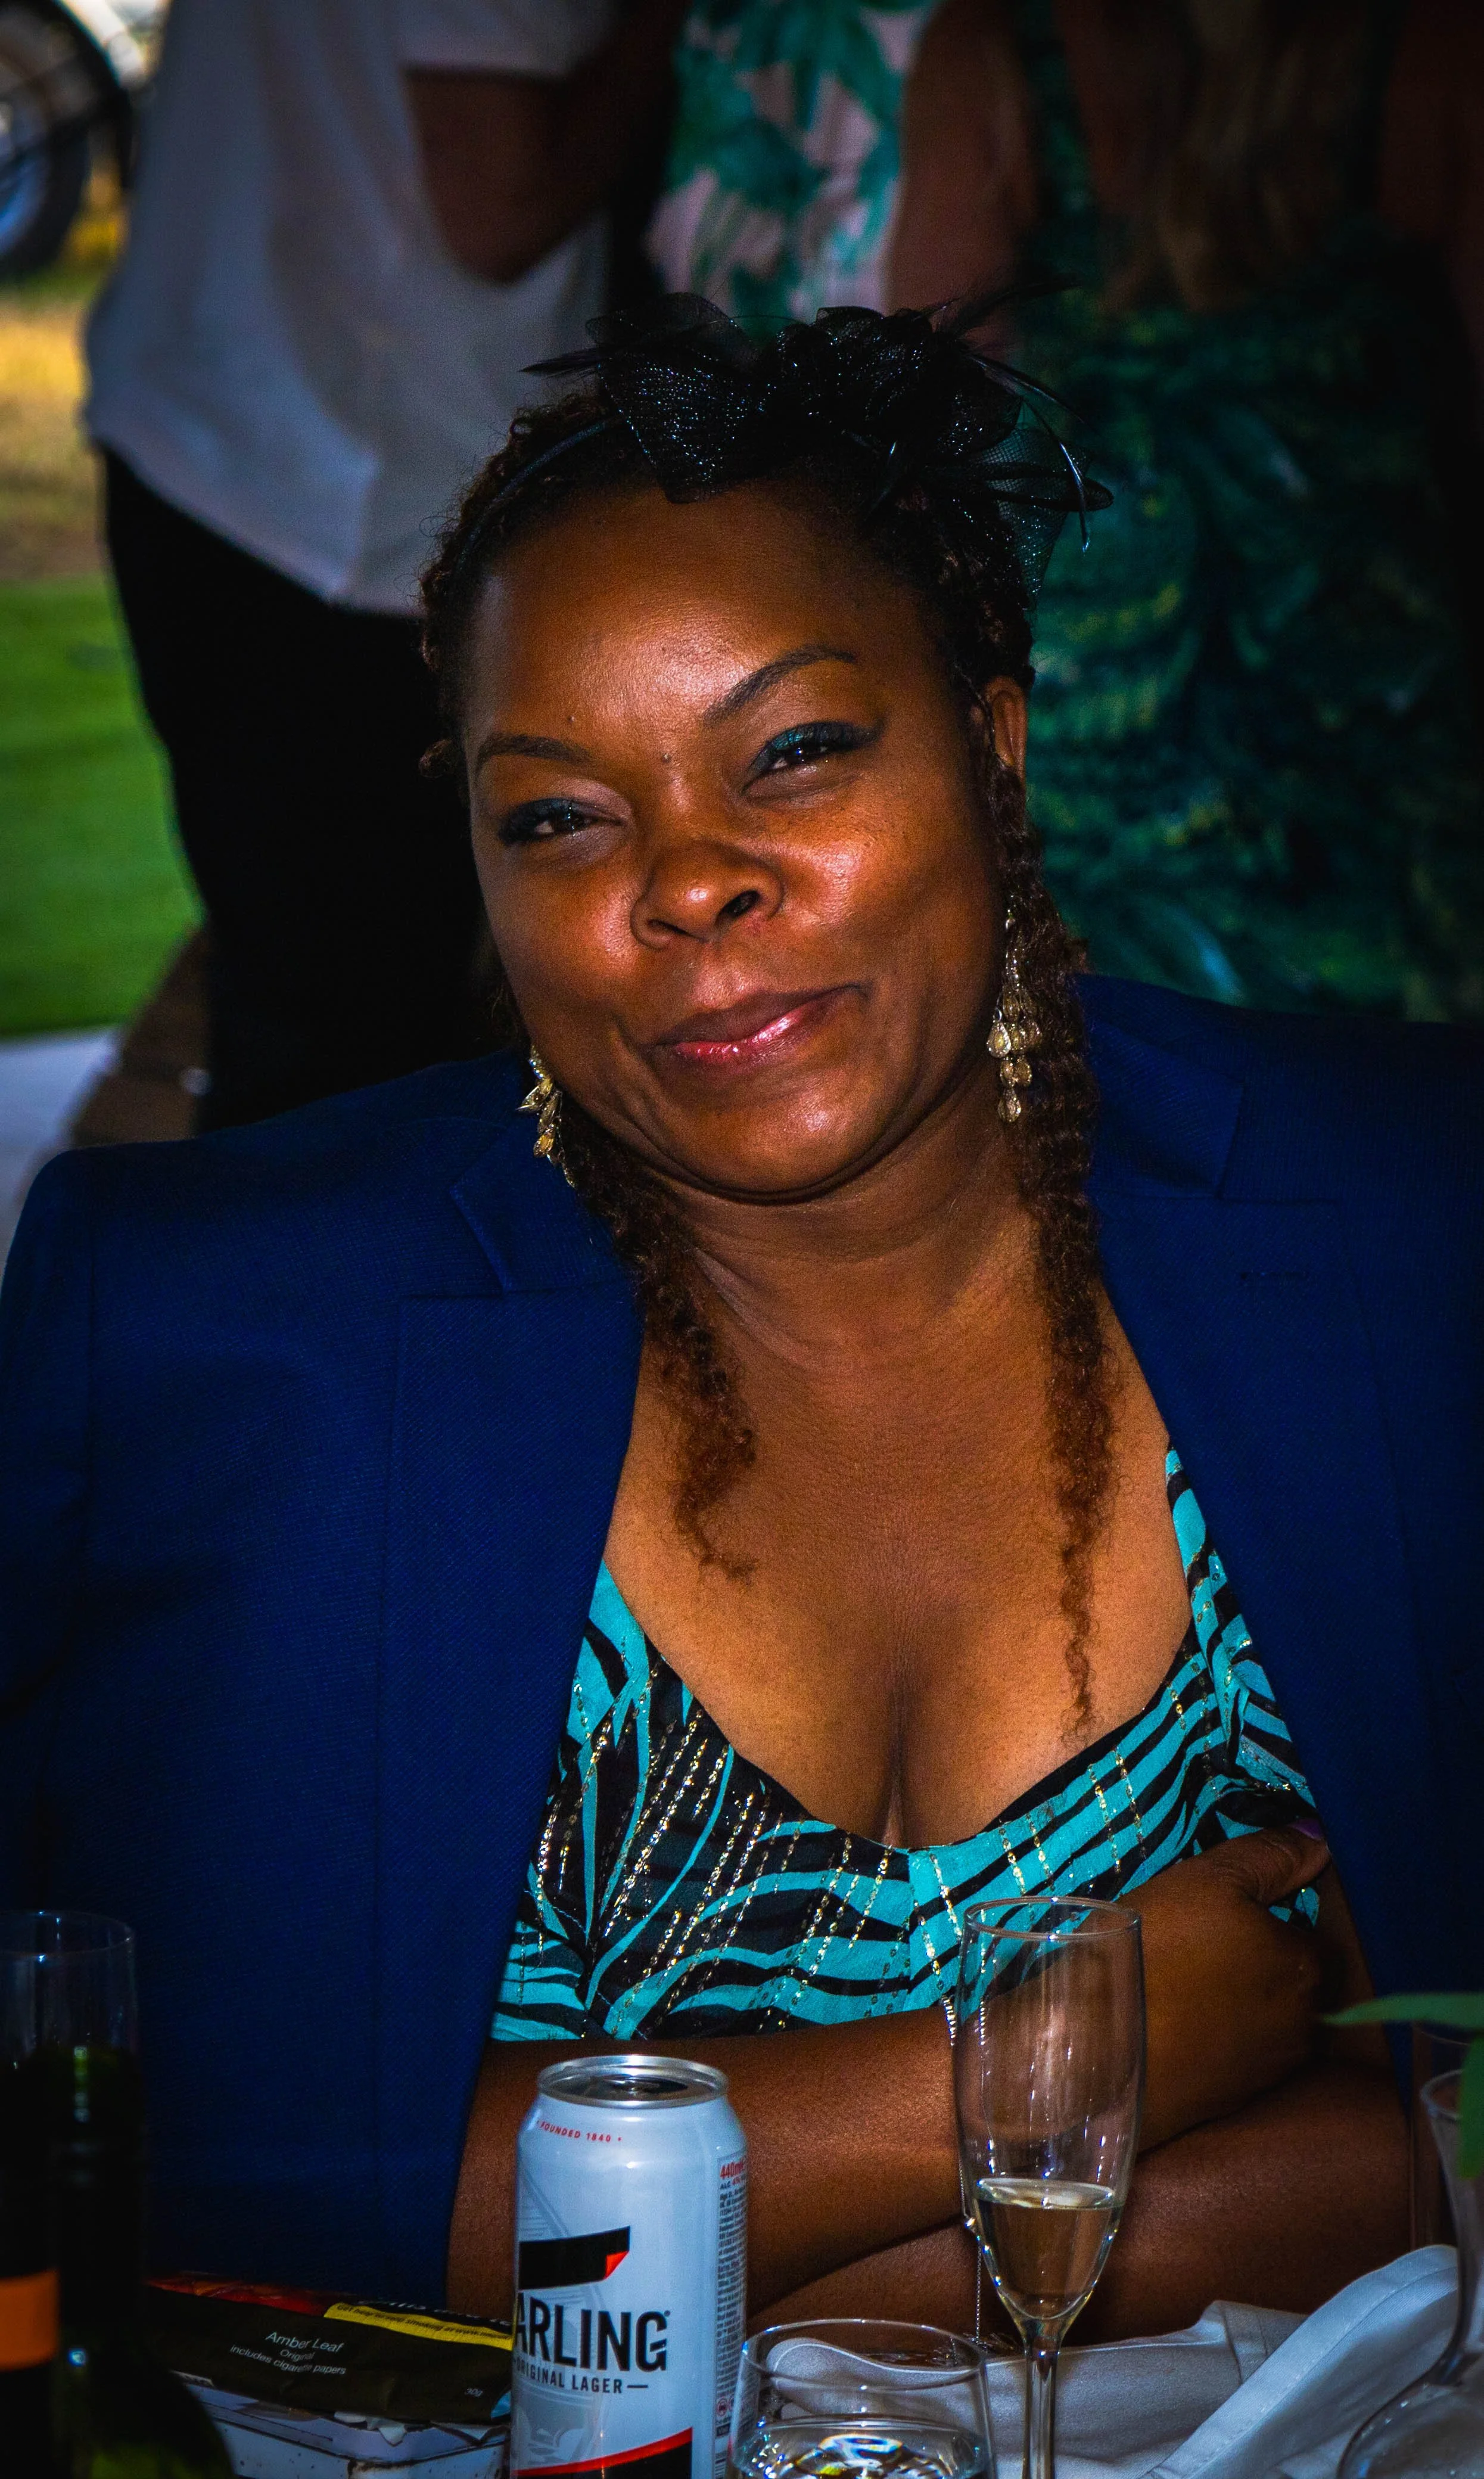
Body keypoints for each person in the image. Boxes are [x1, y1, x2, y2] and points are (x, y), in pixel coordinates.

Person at [2, 299, 1479, 2321]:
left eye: (793, 752)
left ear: (994, 735)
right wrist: (1039, 2086)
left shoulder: (1398, 1226)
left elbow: (1453, 2101)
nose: (689, 885)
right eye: (559, 818)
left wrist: (832, 2295)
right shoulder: (231, 1342)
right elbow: (200, 2180)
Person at [651, 0, 1484, 1018]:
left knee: (1138, 1094)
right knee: (1398, 1101)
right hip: (1370, 680)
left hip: (1100, 687)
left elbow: (924, 416)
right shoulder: (1431, 51)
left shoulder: (1004, 46)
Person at [85, 0, 687, 1130]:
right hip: (348, 517)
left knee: (315, 1023)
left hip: (227, 441)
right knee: (351, 1069)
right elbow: (496, 198)